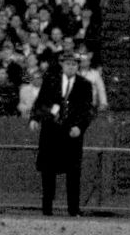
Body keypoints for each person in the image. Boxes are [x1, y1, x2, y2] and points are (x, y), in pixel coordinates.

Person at [29, 51, 95, 216]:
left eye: (74, 64)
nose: (71, 66)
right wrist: (34, 119)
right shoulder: (51, 80)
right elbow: (40, 102)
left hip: (71, 134)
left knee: (73, 173)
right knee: (48, 172)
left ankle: (73, 210)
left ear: (78, 66)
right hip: (51, 132)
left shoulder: (84, 84)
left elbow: (87, 111)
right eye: (68, 64)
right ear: (62, 65)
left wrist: (80, 127)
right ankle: (47, 209)